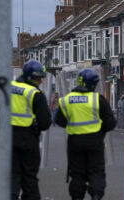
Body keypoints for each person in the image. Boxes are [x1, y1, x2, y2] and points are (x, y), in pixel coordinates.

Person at [55, 69, 116, 200]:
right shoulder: (98, 99)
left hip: (75, 141)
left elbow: (59, 120)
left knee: (77, 173)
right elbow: (111, 123)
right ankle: (96, 195)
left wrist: (72, 124)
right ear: (93, 85)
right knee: (96, 172)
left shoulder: (67, 100)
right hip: (95, 141)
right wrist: (100, 130)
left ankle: (77, 197)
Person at [11, 60, 52, 200]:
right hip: (28, 138)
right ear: (30, 77)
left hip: (6, 138)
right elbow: (45, 122)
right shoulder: (34, 94)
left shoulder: (7, 87)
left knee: (12, 176)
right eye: (38, 78)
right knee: (29, 178)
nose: (40, 81)